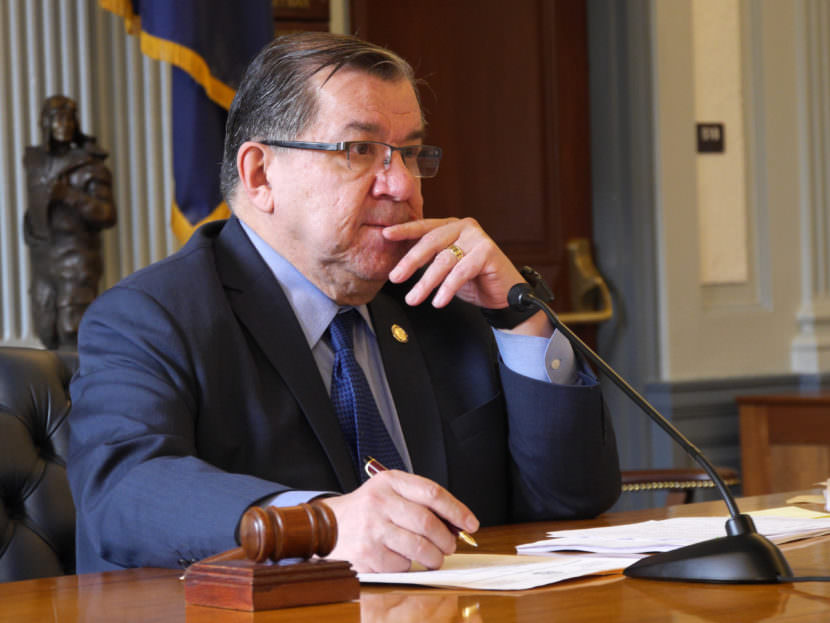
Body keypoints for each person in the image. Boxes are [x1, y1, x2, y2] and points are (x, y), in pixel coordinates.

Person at [68, 32, 620, 574]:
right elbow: (124, 491)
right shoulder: (151, 317)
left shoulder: (442, 298)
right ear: (259, 174)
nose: (402, 185)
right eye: (361, 151)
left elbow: (572, 500)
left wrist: (517, 317)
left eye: (408, 153)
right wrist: (320, 525)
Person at [23, 95, 117, 349]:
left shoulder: (90, 166)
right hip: (43, 261)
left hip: (76, 261)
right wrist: (30, 228)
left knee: (72, 332)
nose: (64, 124)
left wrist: (69, 195)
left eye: (69, 118)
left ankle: (73, 389)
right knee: (46, 328)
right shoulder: (35, 163)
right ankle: (52, 389)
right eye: (57, 118)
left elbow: (107, 214)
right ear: (46, 123)